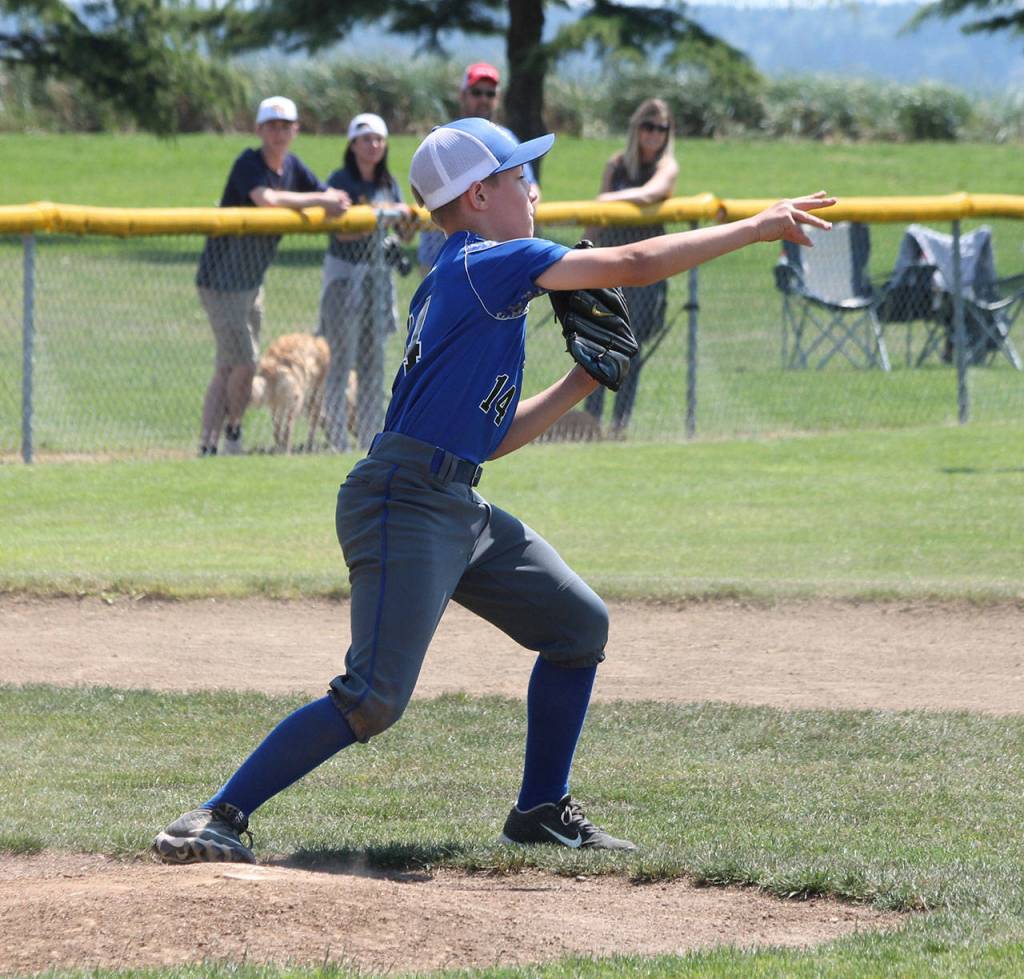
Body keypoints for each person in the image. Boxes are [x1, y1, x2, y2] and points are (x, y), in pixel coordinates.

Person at [153, 116, 834, 864]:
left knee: (578, 625)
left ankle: (540, 809)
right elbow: (635, 261)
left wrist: (581, 380)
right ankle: (217, 813)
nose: (533, 190)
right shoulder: (485, 263)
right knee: (374, 698)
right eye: (519, 178)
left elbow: (490, 437)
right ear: (478, 195)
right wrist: (756, 226)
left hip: (453, 500)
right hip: (402, 500)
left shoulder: (471, 281)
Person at [196, 96, 350, 457]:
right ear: (259, 130)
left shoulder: (293, 168)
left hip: (251, 284)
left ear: (295, 130)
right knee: (244, 362)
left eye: (285, 127)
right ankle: (231, 433)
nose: (279, 134)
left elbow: (329, 195)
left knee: (228, 365)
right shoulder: (249, 163)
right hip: (221, 281)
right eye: (272, 127)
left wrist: (331, 201)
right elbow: (266, 199)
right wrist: (318, 201)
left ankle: (209, 443)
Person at [318, 113, 414, 451]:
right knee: (341, 359)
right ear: (353, 144)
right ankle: (336, 434)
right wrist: (377, 220)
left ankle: (372, 433)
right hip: (345, 278)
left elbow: (402, 232)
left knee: (374, 361)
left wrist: (405, 219)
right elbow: (339, 231)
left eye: (378, 139)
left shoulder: (388, 183)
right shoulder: (340, 180)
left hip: (377, 280)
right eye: (365, 139)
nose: (373, 146)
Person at [584, 98, 679, 438]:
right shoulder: (617, 165)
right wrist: (579, 256)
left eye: (661, 128)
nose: (654, 134)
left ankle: (619, 425)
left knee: (630, 348)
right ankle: (590, 423)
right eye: (648, 126)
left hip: (645, 271)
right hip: (610, 264)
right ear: (636, 128)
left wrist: (608, 200)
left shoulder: (666, 167)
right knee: (596, 343)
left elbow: (653, 193)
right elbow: (596, 223)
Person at [416, 62, 540, 276]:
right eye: (477, 92)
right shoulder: (445, 142)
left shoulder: (506, 139)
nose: (484, 99)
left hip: (495, 256)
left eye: (490, 93)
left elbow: (535, 191)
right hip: (442, 256)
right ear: (463, 95)